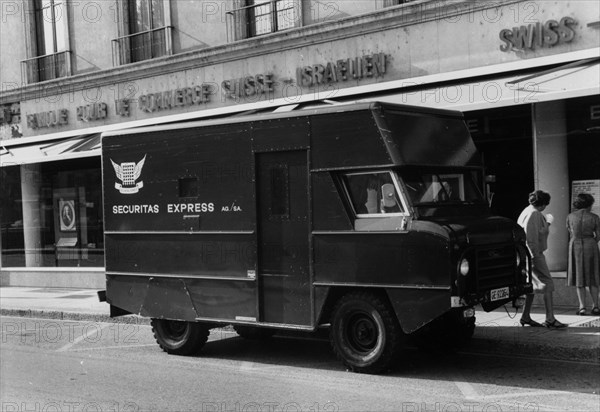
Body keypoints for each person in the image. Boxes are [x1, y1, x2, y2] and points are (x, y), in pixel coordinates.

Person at [517, 190, 567, 329]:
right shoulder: (534, 214)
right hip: (534, 254)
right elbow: (531, 238)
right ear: (543, 204)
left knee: (531, 287)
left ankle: (525, 316)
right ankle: (550, 318)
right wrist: (534, 257)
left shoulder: (527, 211)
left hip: (527, 254)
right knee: (548, 284)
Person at [566, 193, 600, 316]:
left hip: (575, 245)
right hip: (590, 244)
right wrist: (591, 241)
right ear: (589, 204)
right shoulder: (594, 217)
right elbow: (598, 235)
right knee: (593, 276)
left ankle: (582, 307)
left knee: (579, 277)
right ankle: (596, 306)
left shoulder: (570, 216)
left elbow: (570, 231)